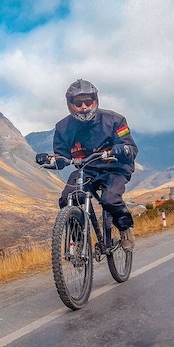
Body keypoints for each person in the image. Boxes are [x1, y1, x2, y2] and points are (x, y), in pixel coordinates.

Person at [35, 79, 139, 250]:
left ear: (95, 101)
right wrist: (48, 159)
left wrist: (121, 150)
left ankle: (125, 229)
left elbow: (131, 148)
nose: (84, 107)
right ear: (70, 104)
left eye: (88, 102)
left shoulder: (115, 120)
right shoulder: (62, 128)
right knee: (67, 199)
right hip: (86, 169)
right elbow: (61, 157)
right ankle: (78, 243)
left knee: (110, 199)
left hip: (115, 168)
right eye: (78, 103)